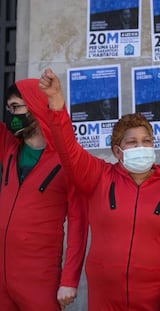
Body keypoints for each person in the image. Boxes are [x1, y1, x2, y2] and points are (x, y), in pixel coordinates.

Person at [38, 68, 160, 311]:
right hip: (105, 300)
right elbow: (68, 150)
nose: (141, 147)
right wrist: (57, 102)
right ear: (117, 150)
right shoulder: (99, 176)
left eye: (146, 141)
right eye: (132, 142)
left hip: (154, 300)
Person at [0, 78, 88, 310]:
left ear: (35, 106)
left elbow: (79, 223)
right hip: (2, 275)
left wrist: (69, 280)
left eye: (16, 107)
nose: (11, 115)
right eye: (8, 109)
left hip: (39, 278)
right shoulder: (9, 145)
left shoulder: (67, 161)